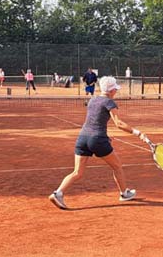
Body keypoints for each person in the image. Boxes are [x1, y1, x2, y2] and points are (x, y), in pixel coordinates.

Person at [48, 76, 145, 210]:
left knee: (77, 172)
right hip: (97, 139)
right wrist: (137, 133)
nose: (116, 91)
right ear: (111, 91)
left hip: (82, 138)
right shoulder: (110, 102)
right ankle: (124, 193)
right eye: (115, 89)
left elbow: (95, 120)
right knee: (117, 166)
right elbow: (119, 123)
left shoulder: (92, 100)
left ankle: (57, 193)